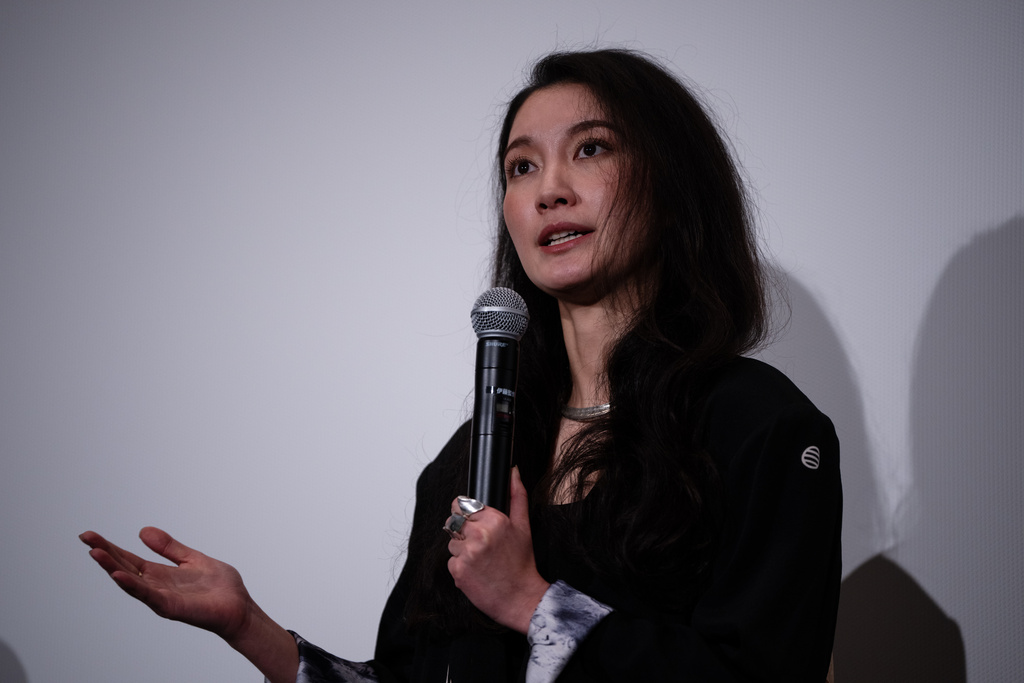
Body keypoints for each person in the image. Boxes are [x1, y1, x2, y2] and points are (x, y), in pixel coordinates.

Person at [80, 48, 842, 682]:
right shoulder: (469, 460)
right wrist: (249, 626)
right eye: (520, 167)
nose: (549, 190)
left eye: (591, 149)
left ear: (673, 187)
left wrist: (534, 602)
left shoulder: (759, 427)